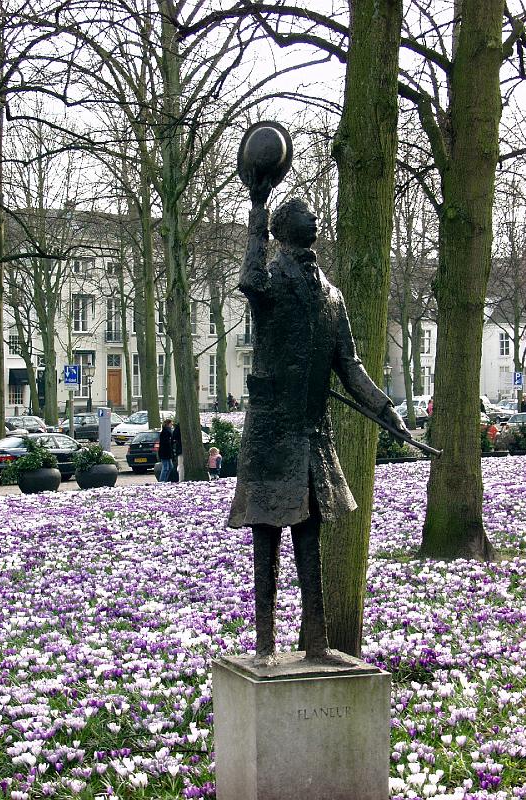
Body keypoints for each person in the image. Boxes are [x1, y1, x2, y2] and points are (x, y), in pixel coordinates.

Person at [228, 177, 409, 667]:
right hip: (271, 435)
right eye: (305, 214)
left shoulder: (333, 297)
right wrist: (258, 211)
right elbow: (247, 278)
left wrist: (383, 407)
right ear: (286, 229)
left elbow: (349, 366)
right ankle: (264, 643)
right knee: (264, 540)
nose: (315, 219)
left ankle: (316, 641)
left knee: (310, 543)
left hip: (312, 436)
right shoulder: (269, 281)